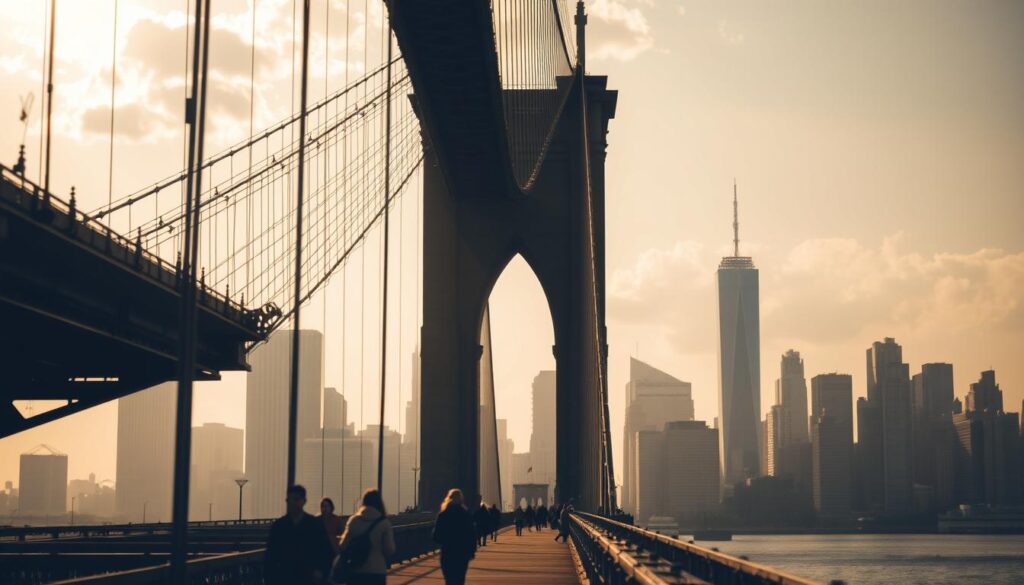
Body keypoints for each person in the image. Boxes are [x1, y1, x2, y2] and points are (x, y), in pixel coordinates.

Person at [264, 484, 334, 585]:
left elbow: (325, 551)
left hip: (303, 577)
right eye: (289, 500)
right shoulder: (313, 523)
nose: (292, 503)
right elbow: (270, 555)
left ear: (304, 501)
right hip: (289, 577)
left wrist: (321, 571)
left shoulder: (280, 525)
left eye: (296, 499)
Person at [336, 489, 396, 585]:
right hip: (377, 571)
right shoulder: (384, 523)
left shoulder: (354, 521)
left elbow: (343, 546)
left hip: (356, 570)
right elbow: (390, 549)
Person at [432, 489, 477, 585]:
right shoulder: (466, 515)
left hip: (447, 553)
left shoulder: (442, 515)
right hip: (462, 553)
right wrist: (472, 551)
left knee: (449, 580)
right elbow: (472, 535)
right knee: (460, 580)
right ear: (461, 500)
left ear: (448, 499)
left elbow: (436, 536)